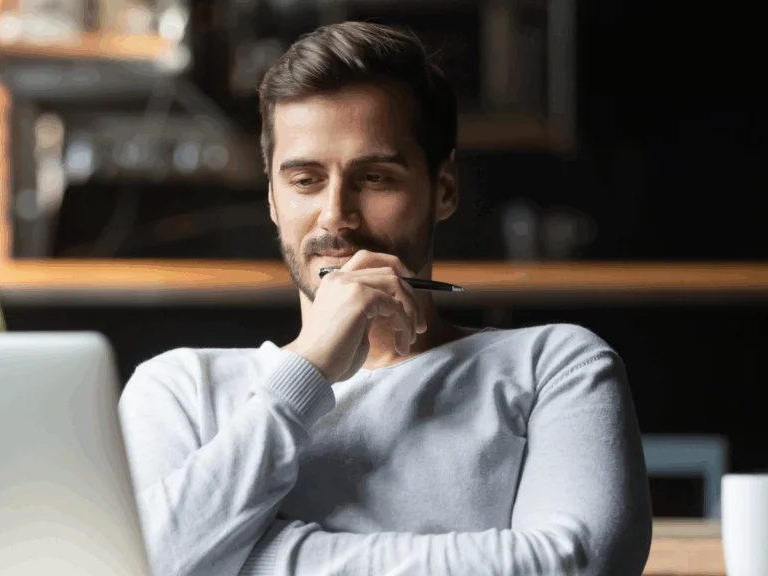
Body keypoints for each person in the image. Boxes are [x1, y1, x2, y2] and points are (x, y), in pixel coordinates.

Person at [118, 21, 652, 576]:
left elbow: (580, 564)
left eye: (374, 179)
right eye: (305, 180)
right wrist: (308, 368)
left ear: (443, 190)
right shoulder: (180, 388)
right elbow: (130, 565)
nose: (336, 216)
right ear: (273, 199)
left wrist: (249, 558)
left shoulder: (555, 365)